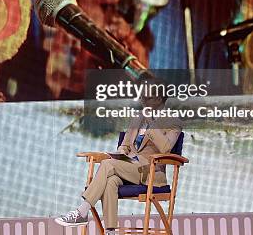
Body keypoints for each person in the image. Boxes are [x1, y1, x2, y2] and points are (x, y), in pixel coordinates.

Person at [54, 95, 181, 234]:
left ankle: (82, 211)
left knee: (107, 165)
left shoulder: (173, 121)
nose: (142, 101)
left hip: (149, 172)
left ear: (158, 99)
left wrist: (151, 124)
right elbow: (125, 145)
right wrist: (121, 153)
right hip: (129, 165)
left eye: (147, 97)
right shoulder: (138, 118)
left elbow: (166, 149)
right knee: (111, 181)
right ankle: (110, 231)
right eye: (142, 97)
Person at [45, 0, 152, 99]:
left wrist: (131, 40)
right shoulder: (65, 30)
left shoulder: (121, 24)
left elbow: (145, 79)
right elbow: (57, 86)